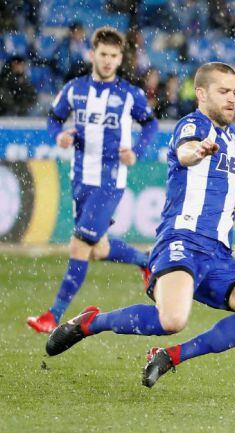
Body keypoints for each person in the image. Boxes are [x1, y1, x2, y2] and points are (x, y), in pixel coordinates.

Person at [45, 62, 235, 389]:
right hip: (182, 242)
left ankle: (171, 356)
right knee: (172, 319)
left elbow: (208, 182)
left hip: (218, 254)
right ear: (201, 93)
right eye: (224, 91)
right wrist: (196, 151)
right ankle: (90, 323)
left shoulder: (233, 134)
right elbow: (186, 153)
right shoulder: (192, 125)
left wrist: (229, 202)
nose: (232, 99)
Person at [26, 27, 158, 334]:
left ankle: (52, 315)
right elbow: (53, 118)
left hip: (110, 180)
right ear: (92, 54)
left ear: (121, 57)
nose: (109, 61)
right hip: (80, 178)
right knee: (97, 249)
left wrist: (135, 151)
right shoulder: (75, 90)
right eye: (104, 54)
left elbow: (150, 125)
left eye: (114, 56)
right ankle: (145, 259)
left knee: (79, 244)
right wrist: (57, 135)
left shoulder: (129, 94)